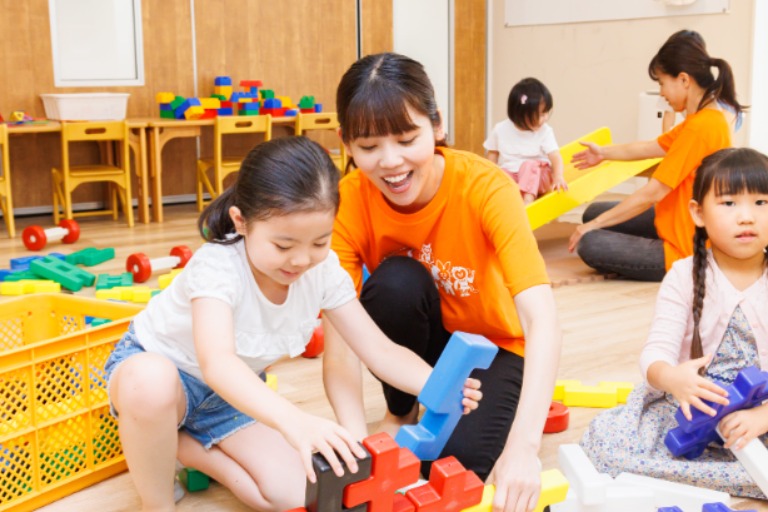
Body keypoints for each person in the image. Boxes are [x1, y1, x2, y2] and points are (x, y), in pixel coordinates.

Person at [105, 136, 482, 512]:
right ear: (241, 221)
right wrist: (295, 422)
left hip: (229, 398)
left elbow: (379, 350)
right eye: (283, 246)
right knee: (150, 382)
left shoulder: (323, 271)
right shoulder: (217, 266)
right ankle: (157, 501)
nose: (301, 260)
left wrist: (439, 385)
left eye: (319, 242)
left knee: (296, 494)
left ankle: (184, 447)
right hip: (163, 382)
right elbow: (217, 364)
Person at [325, 52, 562, 512]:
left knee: (450, 469)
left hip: (495, 350)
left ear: (437, 125)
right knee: (393, 284)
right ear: (346, 143)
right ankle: (401, 410)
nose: (390, 163)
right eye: (369, 147)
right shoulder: (346, 202)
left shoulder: (486, 188)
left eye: (406, 139)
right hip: (419, 354)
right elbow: (340, 348)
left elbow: (542, 320)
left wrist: (523, 448)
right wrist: (356, 450)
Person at [580, 147, 768, 498]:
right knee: (604, 442)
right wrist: (674, 379)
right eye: (729, 203)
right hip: (690, 410)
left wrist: (762, 418)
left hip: (762, 417)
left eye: (761, 203)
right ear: (698, 213)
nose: (747, 217)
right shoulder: (684, 276)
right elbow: (656, 354)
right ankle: (723, 476)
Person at [568, 31, 744, 281]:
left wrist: (593, 226)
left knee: (590, 241)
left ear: (683, 80)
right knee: (593, 212)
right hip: (674, 217)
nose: (661, 93)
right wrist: (603, 153)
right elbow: (648, 148)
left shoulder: (700, 128)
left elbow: (653, 193)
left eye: (662, 83)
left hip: (684, 248)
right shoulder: (704, 120)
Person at [483, 77, 567, 204]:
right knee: (500, 174)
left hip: (539, 177)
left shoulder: (545, 131)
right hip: (513, 177)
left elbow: (555, 157)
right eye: (540, 114)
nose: (545, 118)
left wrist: (558, 176)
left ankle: (527, 200)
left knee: (529, 165)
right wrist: (490, 176)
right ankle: (510, 198)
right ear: (521, 114)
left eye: (546, 113)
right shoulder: (500, 129)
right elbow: (492, 155)